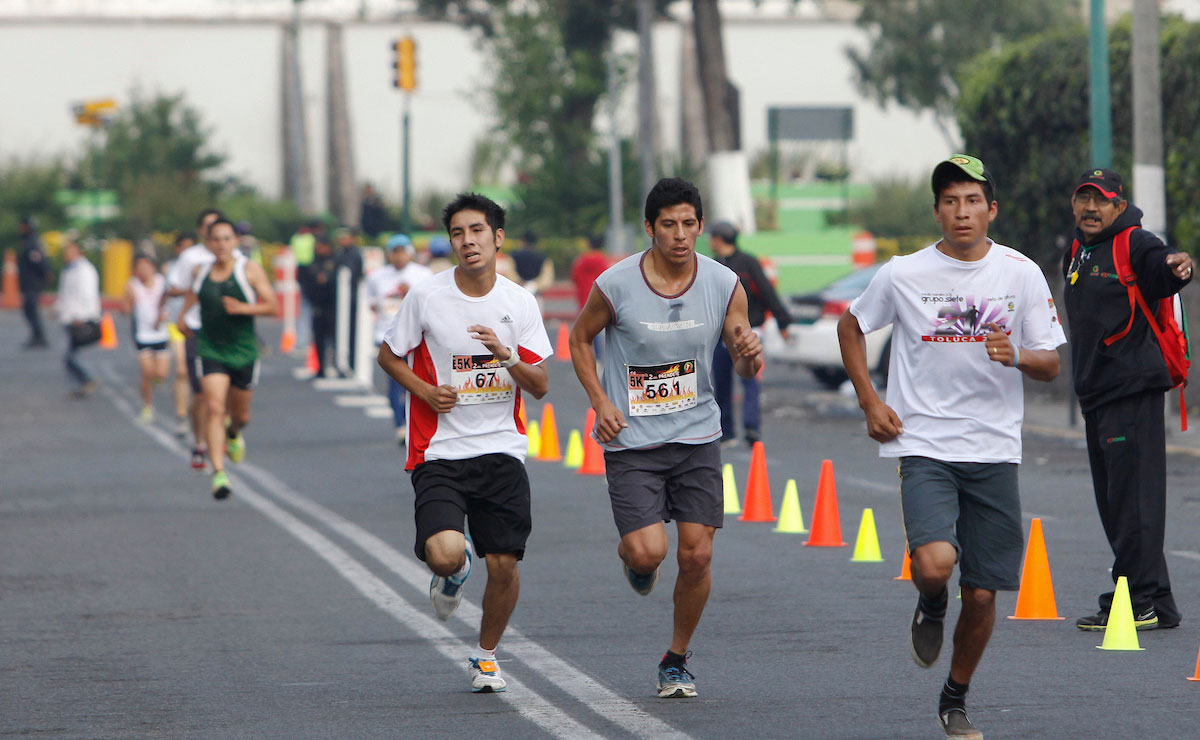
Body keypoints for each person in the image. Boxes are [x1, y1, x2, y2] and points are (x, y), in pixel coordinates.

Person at [837, 155, 1065, 740]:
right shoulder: (904, 273)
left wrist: (1015, 353)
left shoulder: (1021, 273)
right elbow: (851, 327)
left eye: (972, 201)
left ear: (991, 209)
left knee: (985, 592)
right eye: (950, 202)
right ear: (937, 210)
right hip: (925, 443)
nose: (961, 212)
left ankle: (955, 696)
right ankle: (931, 602)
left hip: (993, 449)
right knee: (935, 564)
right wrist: (870, 402)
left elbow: (1050, 363)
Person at [568, 177, 763, 699]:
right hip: (633, 439)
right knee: (649, 551)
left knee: (697, 556)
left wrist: (750, 354)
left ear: (700, 226)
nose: (680, 235)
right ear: (650, 228)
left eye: (689, 224)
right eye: (669, 225)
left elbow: (743, 365)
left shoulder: (724, 283)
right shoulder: (616, 284)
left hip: (697, 433)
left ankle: (675, 659)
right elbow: (580, 338)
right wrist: (601, 401)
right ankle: (635, 559)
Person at [377, 193, 552, 693]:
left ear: (498, 238)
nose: (468, 241)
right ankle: (454, 572)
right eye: (458, 233)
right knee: (445, 553)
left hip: (501, 449)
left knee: (505, 564)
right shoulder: (426, 296)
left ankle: (486, 655)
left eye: (477, 231)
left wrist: (506, 355)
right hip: (441, 451)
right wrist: (426, 391)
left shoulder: (518, 302)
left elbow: (539, 385)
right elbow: (389, 357)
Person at [1060, 167, 1191, 633]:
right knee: (1119, 503)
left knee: (1132, 502)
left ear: (1119, 205)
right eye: (1084, 199)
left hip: (1130, 388)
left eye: (1102, 200)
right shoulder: (1078, 250)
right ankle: (1159, 601)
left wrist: (1178, 266)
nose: (1091, 208)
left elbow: (1162, 267)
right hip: (1097, 392)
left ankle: (1134, 601)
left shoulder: (1134, 243)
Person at [177, 219, 278, 500]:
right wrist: (183, 318)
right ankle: (219, 473)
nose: (221, 244)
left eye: (226, 239)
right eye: (216, 239)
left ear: (235, 242)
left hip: (243, 350)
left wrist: (244, 308)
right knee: (214, 407)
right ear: (208, 244)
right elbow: (191, 297)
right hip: (211, 348)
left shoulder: (249, 270)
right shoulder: (201, 271)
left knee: (240, 415)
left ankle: (233, 433)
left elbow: (273, 305)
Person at [707, 221, 793, 446]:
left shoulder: (748, 263)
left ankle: (751, 427)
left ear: (719, 239)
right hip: (719, 336)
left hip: (750, 333)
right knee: (721, 382)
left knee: (751, 380)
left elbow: (767, 292)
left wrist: (783, 322)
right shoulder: (712, 266)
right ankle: (726, 432)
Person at [165, 209, 221, 470]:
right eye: (208, 227)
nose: (214, 233)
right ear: (201, 230)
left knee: (225, 393)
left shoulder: (235, 257)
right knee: (200, 393)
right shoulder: (190, 257)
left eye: (217, 227)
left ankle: (225, 433)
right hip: (197, 329)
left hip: (227, 331)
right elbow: (176, 288)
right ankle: (199, 442)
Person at [366, 233, 433, 446]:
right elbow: (372, 303)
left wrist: (408, 296)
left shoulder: (422, 274)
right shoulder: (377, 276)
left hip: (417, 336)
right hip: (386, 334)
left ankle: (418, 424)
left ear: (409, 253)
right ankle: (400, 426)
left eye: (402, 252)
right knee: (395, 385)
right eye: (394, 252)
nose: (398, 257)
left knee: (418, 381)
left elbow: (430, 303)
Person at [123, 254, 170, 422]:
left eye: (146, 266)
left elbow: (168, 302)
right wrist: (128, 300)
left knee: (161, 373)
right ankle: (147, 405)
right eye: (139, 267)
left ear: (153, 267)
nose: (143, 270)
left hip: (161, 333)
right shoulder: (132, 285)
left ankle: (158, 380)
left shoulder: (162, 282)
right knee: (147, 373)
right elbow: (125, 309)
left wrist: (163, 316)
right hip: (142, 334)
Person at [162, 232, 198, 438]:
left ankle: (198, 408)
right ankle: (181, 414)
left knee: (200, 375)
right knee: (182, 370)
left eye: (190, 247)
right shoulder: (170, 268)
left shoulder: (202, 265)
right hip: (176, 324)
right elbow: (169, 291)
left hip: (198, 324)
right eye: (183, 247)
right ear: (177, 249)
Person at [57, 238, 102, 398]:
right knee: (69, 354)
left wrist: (81, 316)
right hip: (68, 316)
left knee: (70, 355)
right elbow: (66, 294)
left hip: (79, 318)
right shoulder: (69, 269)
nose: (67, 255)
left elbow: (87, 295)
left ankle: (87, 378)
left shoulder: (85, 270)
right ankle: (82, 384)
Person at [298, 234, 339, 378]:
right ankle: (321, 368)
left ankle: (337, 366)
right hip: (317, 305)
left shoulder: (335, 262)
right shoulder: (313, 264)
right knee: (318, 338)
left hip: (333, 306)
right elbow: (306, 282)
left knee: (335, 338)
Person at [17, 216, 51, 348]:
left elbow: (38, 260)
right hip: (29, 282)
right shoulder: (27, 240)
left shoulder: (32, 242)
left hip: (33, 282)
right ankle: (37, 335)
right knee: (28, 309)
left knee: (31, 308)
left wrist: (45, 273)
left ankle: (39, 336)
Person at [336, 227, 364, 370]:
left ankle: (351, 363)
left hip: (351, 301)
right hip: (342, 301)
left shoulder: (354, 254)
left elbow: (351, 276)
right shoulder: (341, 253)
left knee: (352, 334)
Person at [510, 229, 554, 295]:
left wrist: (520, 283)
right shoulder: (543, 258)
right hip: (536, 293)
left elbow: (511, 274)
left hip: (518, 292)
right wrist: (535, 286)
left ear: (523, 240)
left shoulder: (513, 256)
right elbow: (547, 278)